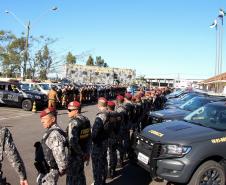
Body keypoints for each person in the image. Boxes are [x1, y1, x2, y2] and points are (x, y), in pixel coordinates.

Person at [36, 108, 67, 185]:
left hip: (49, 173)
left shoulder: (55, 134)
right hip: (45, 170)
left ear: (53, 119)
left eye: (44, 119)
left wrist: (61, 169)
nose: (42, 121)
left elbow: (60, 155)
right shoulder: (51, 130)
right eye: (41, 119)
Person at [66, 101, 91, 185]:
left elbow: (72, 142)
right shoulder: (86, 120)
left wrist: (81, 154)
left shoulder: (73, 123)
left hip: (74, 156)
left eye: (70, 110)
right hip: (83, 154)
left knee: (71, 178)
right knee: (80, 176)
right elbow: (88, 138)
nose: (67, 112)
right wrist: (86, 153)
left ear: (76, 110)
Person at [91, 97, 110, 185]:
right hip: (105, 142)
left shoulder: (100, 116)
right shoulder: (110, 113)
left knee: (97, 166)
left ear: (98, 105)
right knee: (103, 163)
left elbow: (94, 134)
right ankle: (102, 180)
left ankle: (98, 182)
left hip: (98, 145)